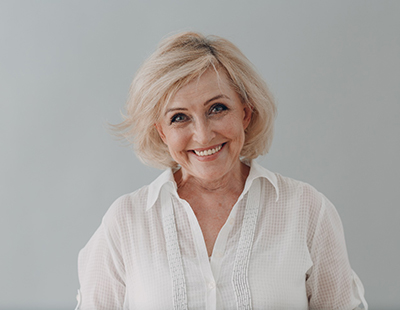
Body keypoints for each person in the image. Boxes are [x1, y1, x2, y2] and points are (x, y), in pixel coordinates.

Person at [75, 32, 368, 310]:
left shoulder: (307, 210)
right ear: (162, 132)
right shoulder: (125, 222)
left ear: (245, 112)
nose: (203, 136)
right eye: (179, 117)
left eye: (217, 108)